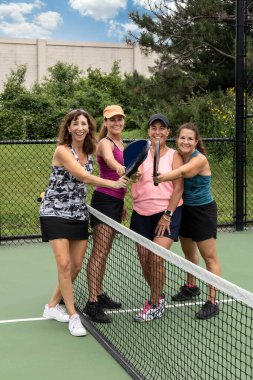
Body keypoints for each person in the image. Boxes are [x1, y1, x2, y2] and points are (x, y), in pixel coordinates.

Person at [40, 109, 128, 336]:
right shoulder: (62, 150)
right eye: (75, 124)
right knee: (64, 263)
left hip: (78, 213)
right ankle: (73, 315)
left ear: (89, 127)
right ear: (68, 127)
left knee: (76, 265)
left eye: (84, 124)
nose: (80, 128)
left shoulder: (88, 151)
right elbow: (85, 177)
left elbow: (103, 164)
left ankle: (51, 306)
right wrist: (114, 185)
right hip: (55, 211)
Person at [154, 122, 221, 320]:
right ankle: (191, 286)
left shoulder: (199, 159)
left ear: (196, 141)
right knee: (189, 253)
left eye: (190, 139)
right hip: (184, 210)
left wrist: (162, 177)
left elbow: (183, 173)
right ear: (177, 139)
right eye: (182, 138)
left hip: (202, 212)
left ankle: (212, 300)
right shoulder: (176, 156)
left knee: (209, 257)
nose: (185, 141)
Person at [130, 113, 184, 322]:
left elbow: (178, 188)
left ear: (168, 132)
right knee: (145, 259)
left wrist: (168, 215)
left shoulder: (174, 156)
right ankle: (159, 295)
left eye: (162, 128)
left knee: (156, 257)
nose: (158, 132)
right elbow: (129, 175)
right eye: (154, 128)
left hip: (167, 214)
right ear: (148, 131)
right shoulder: (141, 152)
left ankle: (154, 302)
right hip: (141, 213)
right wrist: (133, 175)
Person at [84, 105, 127, 323]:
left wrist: (123, 204)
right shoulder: (104, 143)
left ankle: (99, 294)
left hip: (116, 202)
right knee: (99, 252)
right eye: (112, 120)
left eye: (119, 119)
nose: (116, 123)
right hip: (104, 202)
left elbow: (124, 180)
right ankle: (92, 303)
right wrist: (121, 168)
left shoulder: (122, 143)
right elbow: (110, 162)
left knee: (105, 251)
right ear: (105, 122)